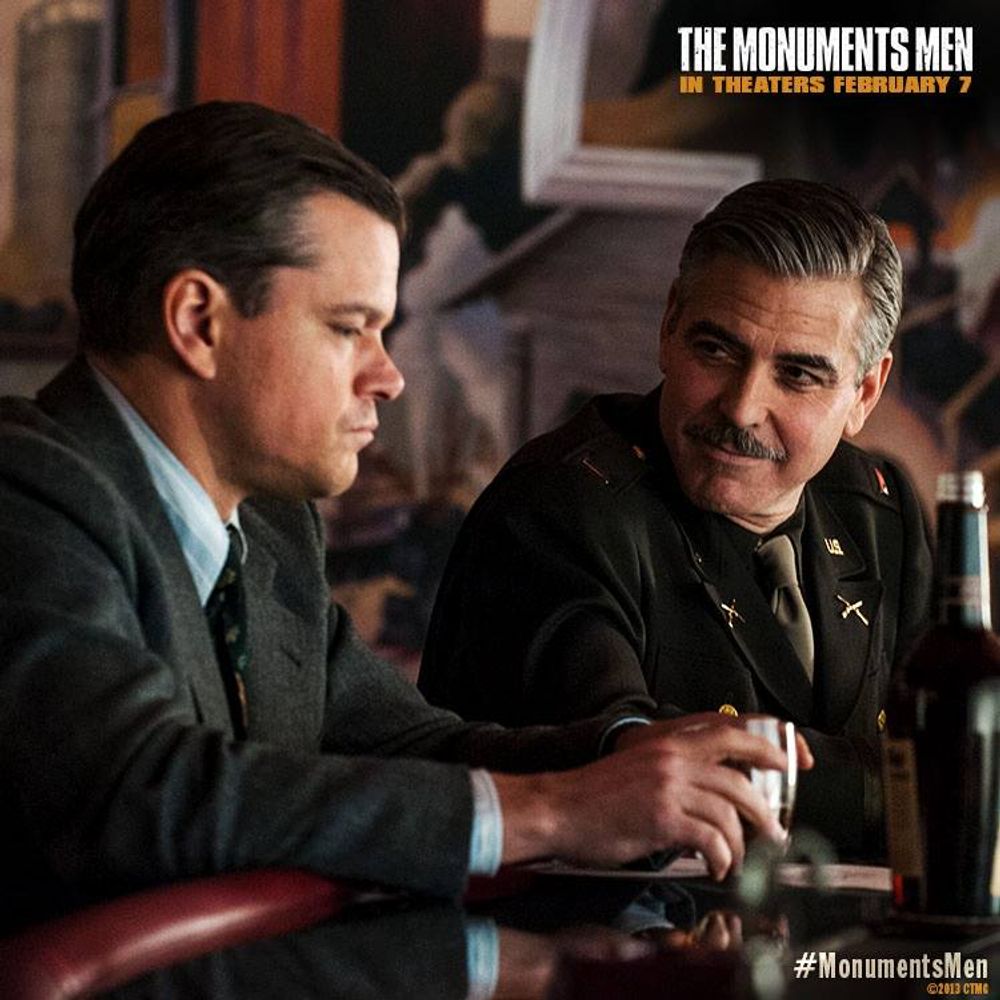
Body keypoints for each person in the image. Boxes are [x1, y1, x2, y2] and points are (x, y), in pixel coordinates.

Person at [0, 102, 796, 937]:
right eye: (351, 328)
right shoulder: (25, 495)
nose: (390, 376)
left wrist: (625, 757)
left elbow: (408, 745)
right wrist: (557, 812)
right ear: (199, 321)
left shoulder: (272, 527)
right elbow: (136, 794)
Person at [420, 179, 933, 860]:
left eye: (798, 375)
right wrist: (912, 789)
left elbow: (955, 741)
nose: (742, 407)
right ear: (668, 327)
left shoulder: (881, 508)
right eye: (716, 351)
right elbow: (635, 773)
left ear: (864, 392)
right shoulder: (558, 508)